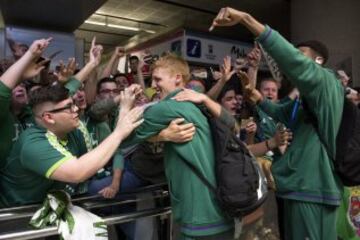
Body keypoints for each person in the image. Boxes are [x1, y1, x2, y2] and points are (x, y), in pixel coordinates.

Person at [210, 7, 344, 240]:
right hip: (297, 188)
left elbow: (291, 60)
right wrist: (256, 95)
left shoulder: (326, 83)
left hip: (313, 190)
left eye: (300, 54)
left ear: (318, 61)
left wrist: (247, 19)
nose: (292, 63)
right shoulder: (305, 98)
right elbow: (280, 112)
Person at [120, 54, 234, 239]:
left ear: (178, 78)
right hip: (223, 207)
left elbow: (123, 138)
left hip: (196, 216)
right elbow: (231, 123)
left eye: (158, 79)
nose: (153, 85)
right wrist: (162, 135)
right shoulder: (199, 105)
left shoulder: (164, 108)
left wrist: (125, 105)